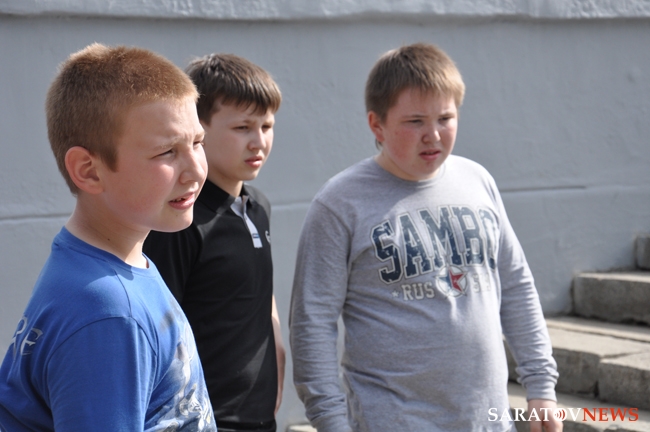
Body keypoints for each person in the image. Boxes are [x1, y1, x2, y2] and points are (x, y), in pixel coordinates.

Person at [289, 43, 562, 432]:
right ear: (377, 125)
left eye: (445, 118)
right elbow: (312, 322)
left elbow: (516, 286)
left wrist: (541, 387)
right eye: (415, 121)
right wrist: (331, 421)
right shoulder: (339, 204)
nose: (432, 135)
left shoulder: (478, 181)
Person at [0, 43, 216, 431]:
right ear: (89, 170)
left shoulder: (111, 266)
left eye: (197, 142)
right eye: (167, 151)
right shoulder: (109, 314)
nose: (196, 170)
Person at [143, 53, 285, 432]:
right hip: (205, 419)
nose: (259, 141)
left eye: (267, 126)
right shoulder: (180, 220)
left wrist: (277, 344)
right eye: (242, 127)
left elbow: (257, 290)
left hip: (260, 416)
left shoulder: (258, 207)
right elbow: (161, 330)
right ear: (199, 127)